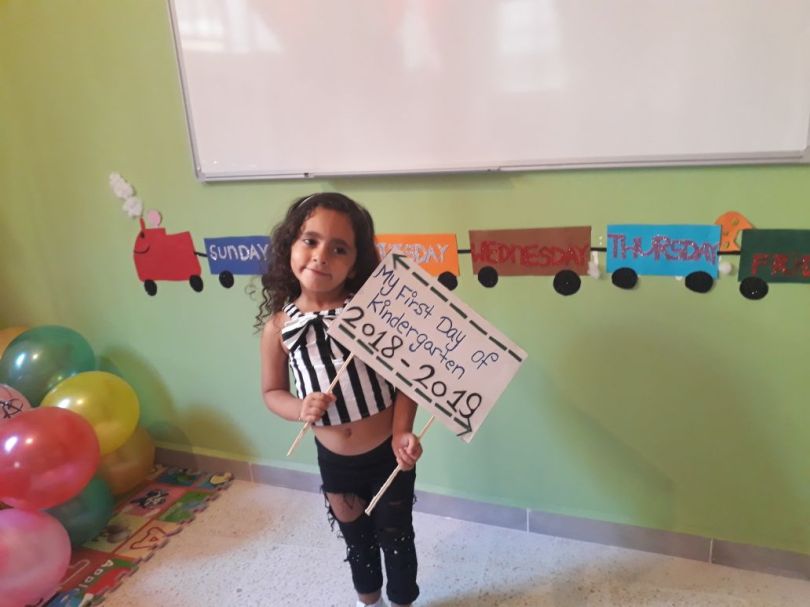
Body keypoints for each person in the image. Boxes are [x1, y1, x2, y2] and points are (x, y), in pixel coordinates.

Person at [257, 193, 423, 607]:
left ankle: (403, 601)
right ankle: (369, 601)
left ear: (355, 264)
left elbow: (407, 381)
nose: (321, 256)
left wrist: (402, 431)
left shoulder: (371, 314)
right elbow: (272, 392)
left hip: (388, 454)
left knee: (397, 537)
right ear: (289, 246)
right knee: (357, 540)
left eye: (339, 248)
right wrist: (299, 408)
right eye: (310, 241)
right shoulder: (278, 327)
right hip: (335, 462)